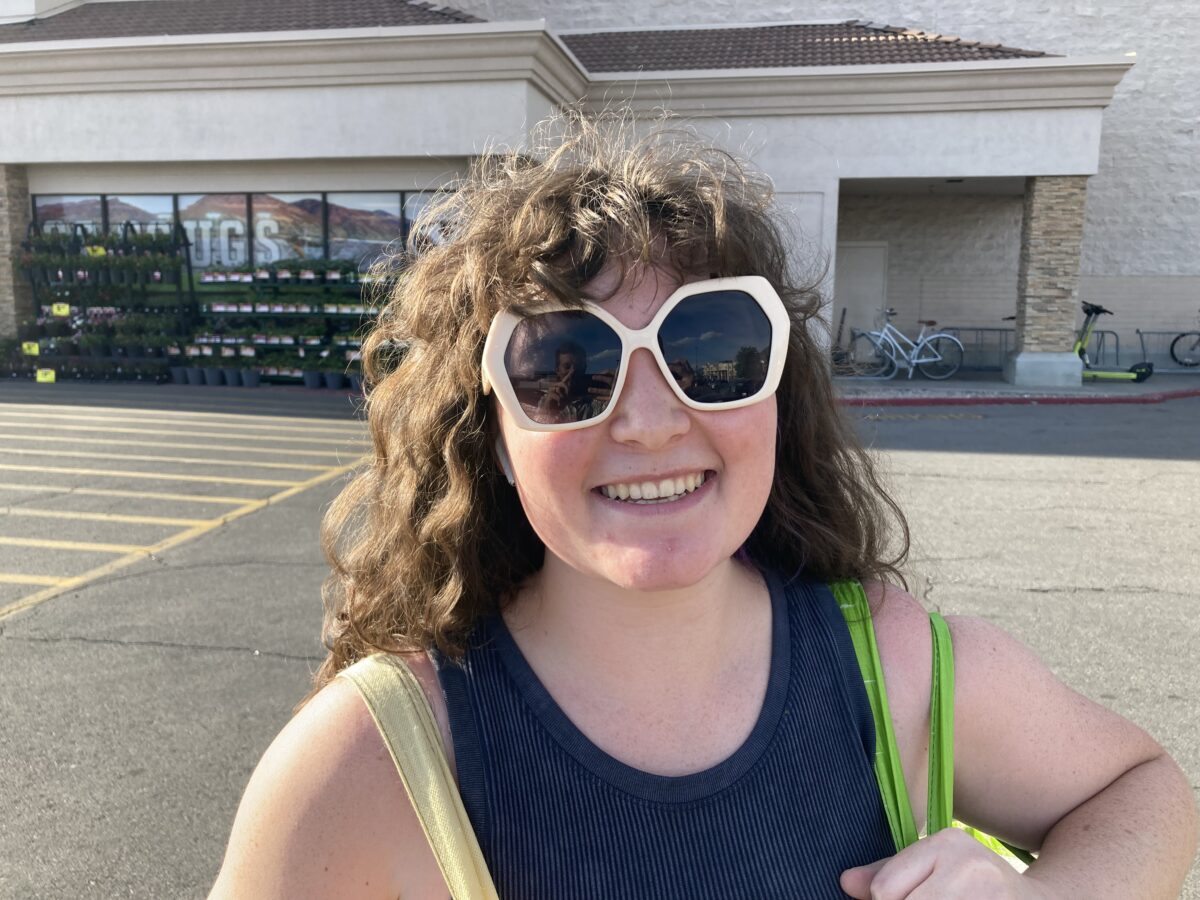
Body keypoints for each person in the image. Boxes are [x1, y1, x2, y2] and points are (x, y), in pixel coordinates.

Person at [208, 110, 1197, 899]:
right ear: (493, 436)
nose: (648, 423)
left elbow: (1144, 791)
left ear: (775, 396)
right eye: (566, 368)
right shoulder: (372, 761)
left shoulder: (902, 672)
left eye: (708, 349)